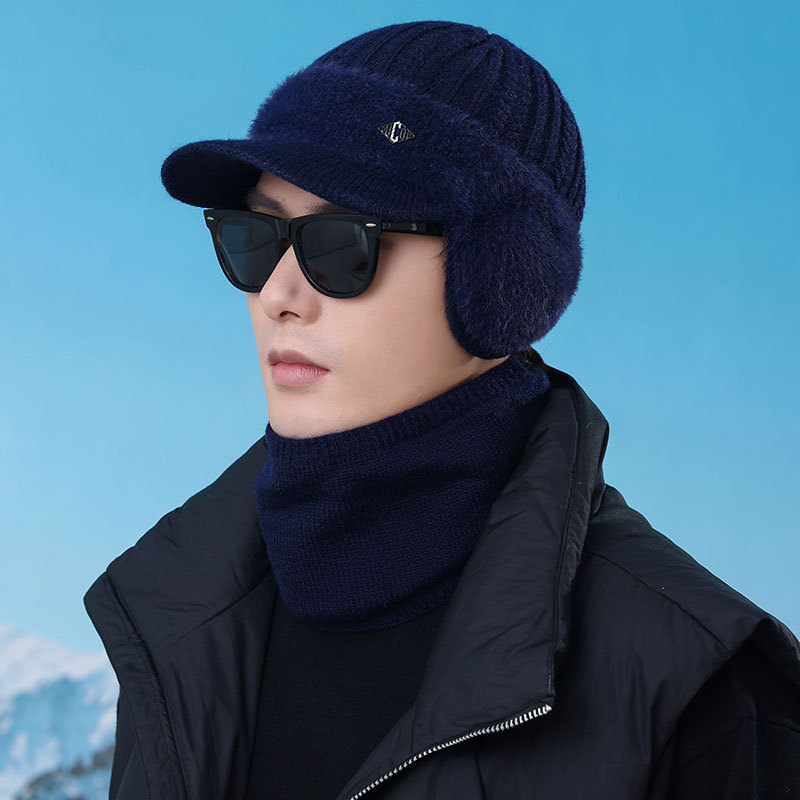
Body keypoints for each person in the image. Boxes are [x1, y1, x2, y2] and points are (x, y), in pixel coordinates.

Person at [83, 19, 800, 800]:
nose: (280, 295)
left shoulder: (695, 688)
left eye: (340, 243)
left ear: (504, 282)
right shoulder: (172, 627)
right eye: (256, 236)